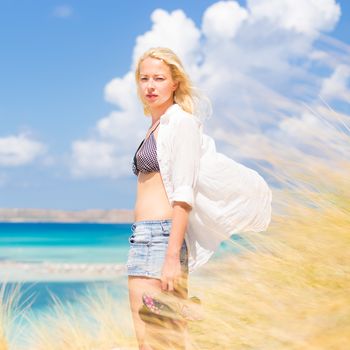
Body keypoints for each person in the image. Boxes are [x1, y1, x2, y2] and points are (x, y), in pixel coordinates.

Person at [126, 47, 272, 350]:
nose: (150, 86)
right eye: (144, 79)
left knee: (163, 341)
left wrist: (171, 257)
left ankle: (184, 312)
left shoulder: (182, 124)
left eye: (159, 78)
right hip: (141, 237)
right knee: (146, 340)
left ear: (175, 83)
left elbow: (184, 193)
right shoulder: (155, 126)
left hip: (162, 237)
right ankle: (184, 311)